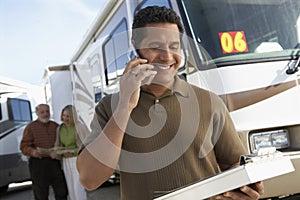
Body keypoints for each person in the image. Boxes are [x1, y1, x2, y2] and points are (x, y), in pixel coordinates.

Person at [77, 6, 264, 200]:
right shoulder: (110, 107)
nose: (167, 56)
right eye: (155, 46)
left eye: (174, 47)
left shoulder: (210, 102)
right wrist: (125, 105)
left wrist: (245, 187)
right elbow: (90, 179)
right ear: (135, 47)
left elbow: (234, 166)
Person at [20, 104, 68, 200]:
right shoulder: (31, 127)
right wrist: (33, 152)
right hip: (39, 164)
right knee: (41, 194)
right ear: (37, 113)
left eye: (47, 111)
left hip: (55, 162)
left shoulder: (55, 126)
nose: (45, 114)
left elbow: (63, 142)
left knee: (61, 191)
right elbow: (24, 146)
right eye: (42, 112)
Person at [54, 105, 87, 200]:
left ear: (73, 116)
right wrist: (58, 151)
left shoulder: (79, 126)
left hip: (77, 159)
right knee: (71, 189)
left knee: (78, 189)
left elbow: (87, 145)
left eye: (68, 116)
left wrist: (73, 152)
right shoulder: (60, 128)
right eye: (64, 115)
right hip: (65, 161)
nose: (65, 118)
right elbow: (58, 144)